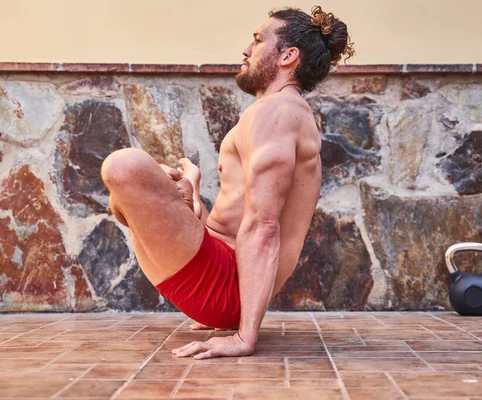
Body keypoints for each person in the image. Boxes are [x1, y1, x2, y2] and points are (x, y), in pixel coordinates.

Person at [101, 5, 354, 359]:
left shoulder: (276, 114)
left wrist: (244, 337)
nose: (247, 50)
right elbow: (232, 224)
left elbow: (264, 226)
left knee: (124, 166)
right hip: (218, 272)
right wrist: (192, 192)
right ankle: (180, 190)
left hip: (226, 288)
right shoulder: (282, 112)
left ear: (287, 56)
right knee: (132, 187)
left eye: (257, 40)